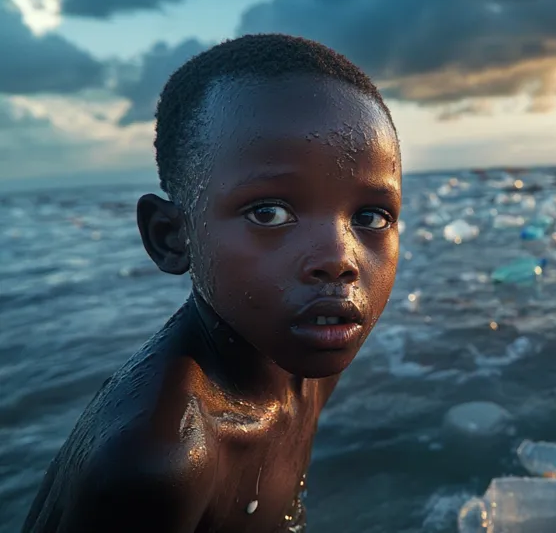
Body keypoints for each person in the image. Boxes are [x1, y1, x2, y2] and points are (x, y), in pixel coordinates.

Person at [22, 33, 402, 533]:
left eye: (371, 217)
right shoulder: (160, 460)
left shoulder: (308, 357)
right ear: (171, 237)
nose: (338, 260)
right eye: (270, 212)